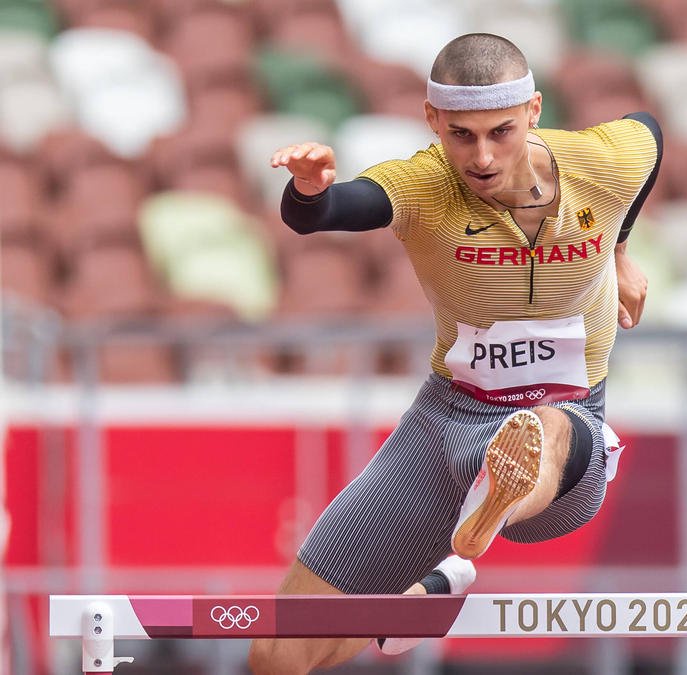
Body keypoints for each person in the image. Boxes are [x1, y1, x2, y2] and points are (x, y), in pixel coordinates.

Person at [247, 32, 662, 674]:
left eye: (501, 132)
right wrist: (309, 189)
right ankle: (429, 591)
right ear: (433, 120)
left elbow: (650, 133)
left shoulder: (601, 162)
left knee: (544, 426)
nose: (483, 157)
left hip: (568, 435)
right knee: (276, 654)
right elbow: (325, 213)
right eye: (461, 135)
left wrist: (621, 250)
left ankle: (495, 496)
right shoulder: (424, 184)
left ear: (534, 111)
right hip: (443, 425)